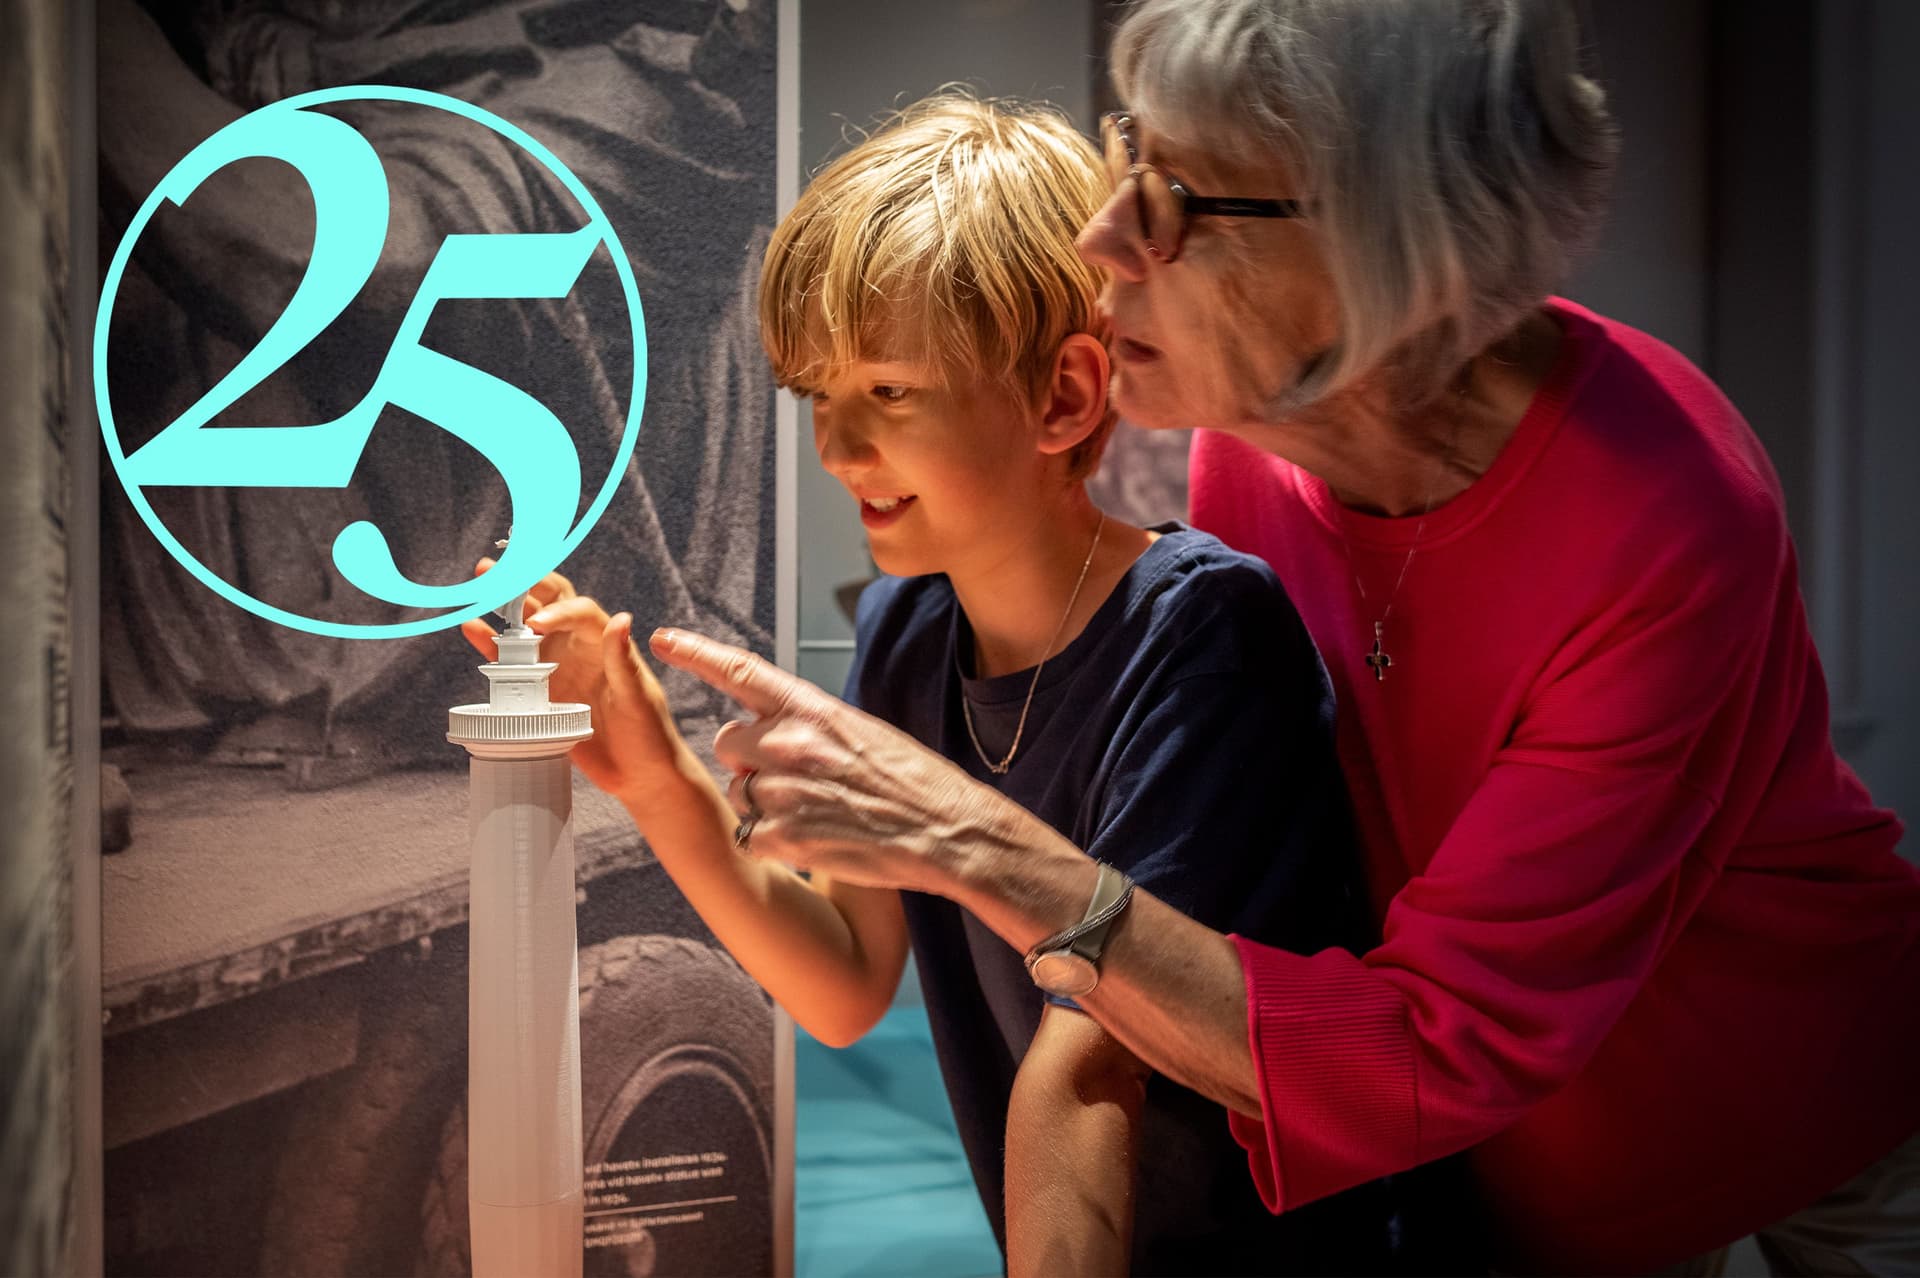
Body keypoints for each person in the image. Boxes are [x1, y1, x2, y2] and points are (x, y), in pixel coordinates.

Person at [647, 2, 1920, 1274]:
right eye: (1126, 159)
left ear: (1379, 246)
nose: (1103, 235)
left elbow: (1441, 1045)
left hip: (1788, 1109)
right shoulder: (1247, 454)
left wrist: (971, 839)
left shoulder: (1660, 518)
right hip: (1497, 1167)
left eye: (1171, 199)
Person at [468, 93, 1442, 1274]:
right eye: (819, 395)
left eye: (889, 392)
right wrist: (656, 776)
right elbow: (843, 979)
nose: (836, 449)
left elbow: (1089, 1065)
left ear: (1063, 397)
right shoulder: (907, 632)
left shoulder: (1204, 633)